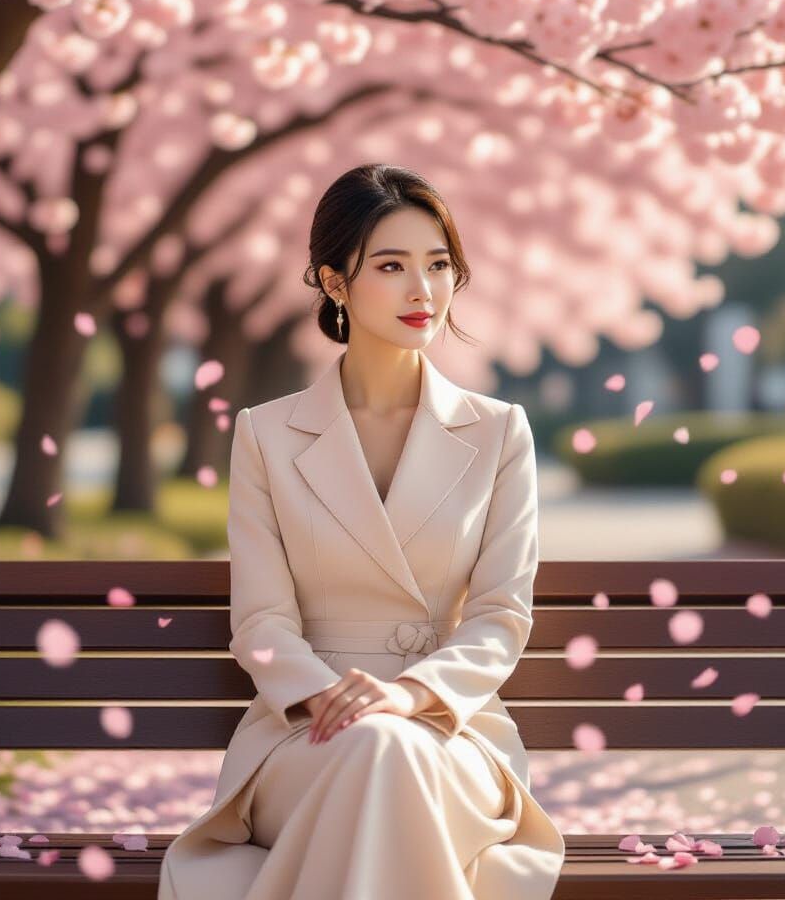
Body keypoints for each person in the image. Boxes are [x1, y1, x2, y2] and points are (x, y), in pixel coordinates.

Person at [158, 163, 566, 899]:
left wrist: (408, 696)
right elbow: (261, 621)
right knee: (373, 751)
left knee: (387, 751)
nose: (424, 291)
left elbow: (502, 616)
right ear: (335, 283)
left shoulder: (501, 432)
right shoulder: (267, 434)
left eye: (439, 265)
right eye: (392, 266)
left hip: (450, 729)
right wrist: (325, 696)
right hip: (301, 733)